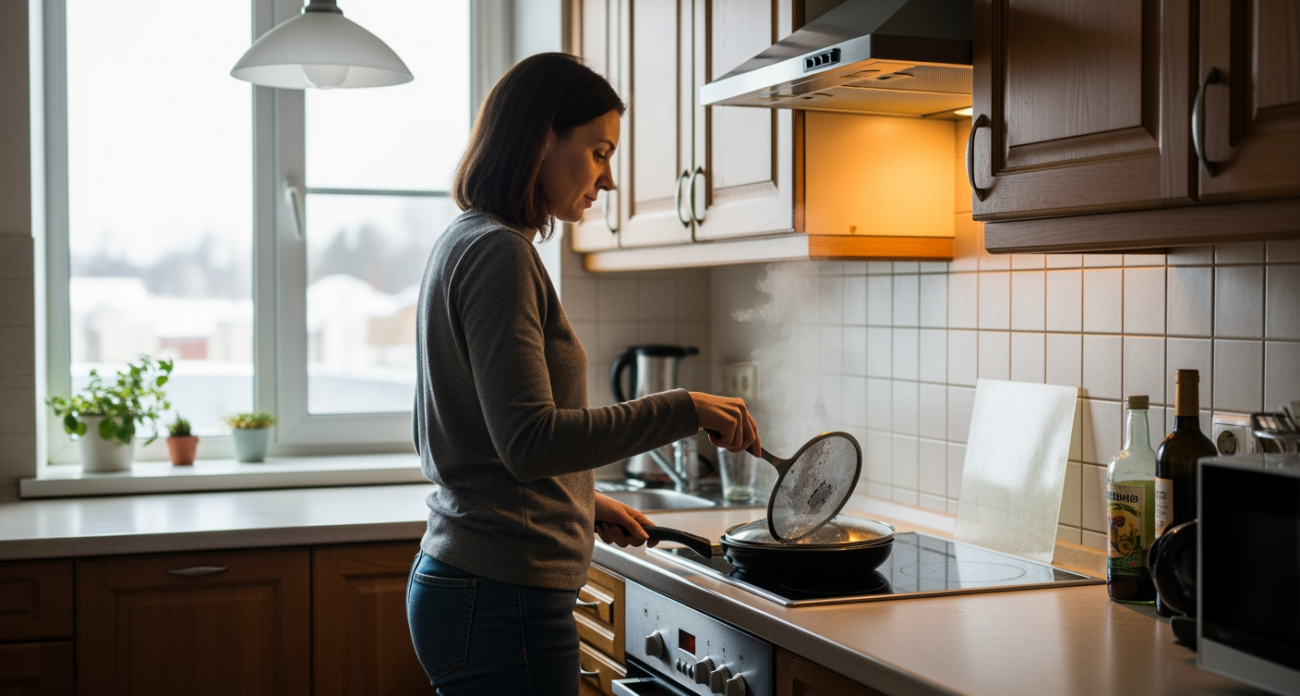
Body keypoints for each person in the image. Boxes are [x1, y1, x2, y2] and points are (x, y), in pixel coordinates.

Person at [406, 52, 760, 695]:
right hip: (502, 596)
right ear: (544, 137)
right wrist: (683, 408)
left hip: (479, 583)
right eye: (599, 152)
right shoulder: (498, 253)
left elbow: (480, 440)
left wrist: (579, 501)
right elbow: (529, 441)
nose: (610, 179)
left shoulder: (467, 240)